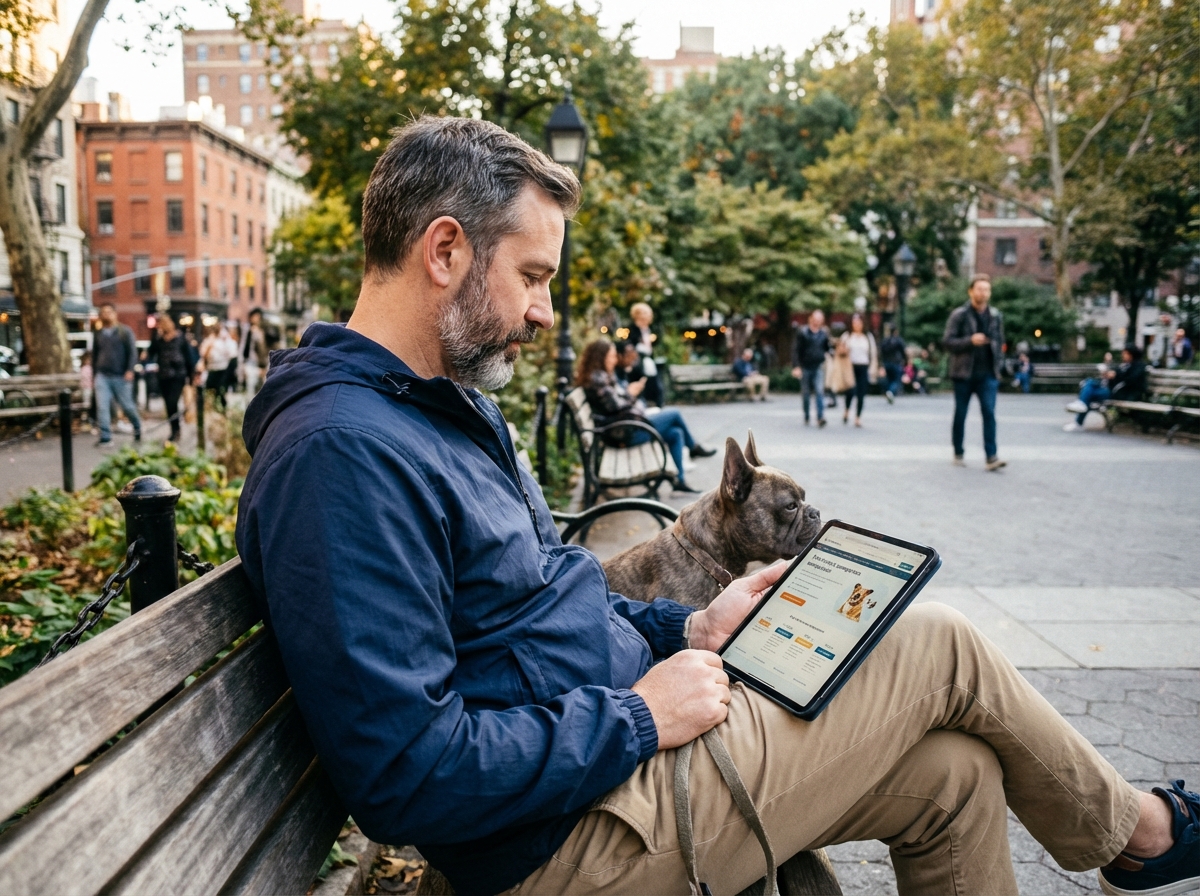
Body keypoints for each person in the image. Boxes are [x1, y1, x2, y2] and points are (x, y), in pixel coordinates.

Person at [234, 117, 1199, 896]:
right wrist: (642, 716)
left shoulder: (443, 413)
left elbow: (549, 604)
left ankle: (1127, 833)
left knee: (956, 775)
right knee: (936, 641)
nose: (543, 311)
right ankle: (1139, 835)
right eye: (532, 277)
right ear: (444, 249)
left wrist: (689, 624)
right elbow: (409, 773)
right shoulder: (343, 456)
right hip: (568, 842)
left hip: (610, 775)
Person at [578, 337, 715, 492]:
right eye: (612, 356)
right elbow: (616, 406)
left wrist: (630, 395)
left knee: (675, 433)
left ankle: (679, 481)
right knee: (674, 414)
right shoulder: (598, 378)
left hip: (625, 427)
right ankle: (693, 448)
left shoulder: (602, 376)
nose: (615, 359)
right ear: (600, 356)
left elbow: (617, 403)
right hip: (625, 432)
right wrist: (631, 394)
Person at [944, 274, 1006, 470]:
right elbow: (948, 342)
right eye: (979, 289)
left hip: (988, 373)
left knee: (989, 412)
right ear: (971, 291)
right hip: (964, 374)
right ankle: (958, 451)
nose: (983, 293)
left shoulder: (995, 316)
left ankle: (991, 456)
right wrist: (969, 341)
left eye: (986, 289)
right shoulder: (959, 315)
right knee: (960, 414)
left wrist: (999, 360)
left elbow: (1000, 341)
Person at [1064, 345, 1147, 431]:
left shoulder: (1139, 366)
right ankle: (1081, 406)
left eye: (1125, 353)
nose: (1123, 355)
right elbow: (1117, 377)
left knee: (1088, 394)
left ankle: (1079, 417)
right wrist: (1108, 375)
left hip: (1123, 394)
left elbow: (1131, 380)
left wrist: (1115, 375)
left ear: (1132, 354)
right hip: (1112, 391)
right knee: (1089, 382)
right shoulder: (1124, 365)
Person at [92, 302, 141, 446]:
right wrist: (95, 373)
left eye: (109, 312)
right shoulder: (98, 334)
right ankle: (105, 437)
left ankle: (137, 426)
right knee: (103, 406)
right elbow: (95, 354)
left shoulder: (124, 331)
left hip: (121, 375)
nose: (106, 315)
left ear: (115, 314)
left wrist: (130, 370)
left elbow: (132, 352)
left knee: (127, 406)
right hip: (102, 375)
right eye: (103, 312)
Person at [145, 315, 196, 444]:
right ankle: (175, 430)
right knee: (168, 404)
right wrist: (154, 335)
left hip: (178, 375)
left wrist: (191, 377)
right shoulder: (159, 339)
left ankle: (176, 429)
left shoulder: (180, 338)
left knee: (172, 402)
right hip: (163, 376)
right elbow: (151, 353)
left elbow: (189, 357)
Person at [831, 313, 879, 427]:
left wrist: (873, 368)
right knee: (850, 391)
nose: (857, 325)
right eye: (855, 323)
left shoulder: (867, 337)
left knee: (861, 393)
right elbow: (839, 350)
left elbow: (873, 353)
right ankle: (847, 410)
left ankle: (858, 417)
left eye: (859, 323)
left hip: (863, 366)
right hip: (850, 367)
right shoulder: (847, 336)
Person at [791, 310, 831, 426]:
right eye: (816, 319)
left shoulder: (824, 334)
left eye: (820, 319)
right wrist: (796, 366)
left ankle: (820, 417)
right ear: (811, 319)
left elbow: (827, 348)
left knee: (819, 391)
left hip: (818, 366)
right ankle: (807, 415)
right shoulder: (803, 332)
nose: (817, 321)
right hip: (805, 367)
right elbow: (796, 350)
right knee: (806, 393)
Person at [627, 302, 663, 407]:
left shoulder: (648, 330)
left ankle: (656, 406)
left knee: (656, 388)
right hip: (638, 366)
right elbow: (631, 348)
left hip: (648, 363)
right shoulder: (633, 330)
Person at [199, 324, 238, 411]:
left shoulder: (224, 341)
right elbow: (203, 354)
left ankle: (222, 409)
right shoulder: (209, 341)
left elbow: (232, 353)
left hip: (223, 369)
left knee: (220, 391)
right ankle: (213, 409)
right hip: (212, 369)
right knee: (210, 391)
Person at [239, 308, 270, 397]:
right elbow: (243, 347)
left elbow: (264, 348)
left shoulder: (264, 331)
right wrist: (242, 365)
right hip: (250, 362)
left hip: (262, 363)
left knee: (263, 389)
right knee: (251, 390)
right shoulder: (248, 330)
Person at [879, 326, 906, 403]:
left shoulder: (885, 341)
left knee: (889, 379)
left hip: (887, 362)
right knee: (896, 380)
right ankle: (890, 392)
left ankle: (888, 391)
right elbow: (903, 351)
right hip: (895, 363)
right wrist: (904, 361)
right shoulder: (898, 340)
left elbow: (881, 352)